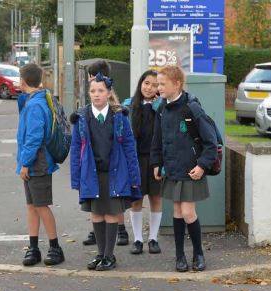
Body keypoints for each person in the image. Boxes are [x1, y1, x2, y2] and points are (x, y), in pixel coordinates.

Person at [70, 73, 141, 271]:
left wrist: (135, 177)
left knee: (111, 213)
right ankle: (100, 254)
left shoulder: (119, 117)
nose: (96, 94)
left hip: (115, 173)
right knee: (96, 214)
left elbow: (129, 148)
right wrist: (76, 177)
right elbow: (76, 148)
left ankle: (110, 256)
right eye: (93, 91)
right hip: (91, 174)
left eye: (101, 91)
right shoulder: (82, 117)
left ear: (109, 93)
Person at [150, 66, 218, 272]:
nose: (158, 87)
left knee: (188, 212)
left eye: (162, 84)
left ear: (177, 84)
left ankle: (198, 253)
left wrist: (202, 165)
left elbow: (211, 142)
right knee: (178, 211)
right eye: (157, 84)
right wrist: (156, 163)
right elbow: (157, 139)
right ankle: (180, 256)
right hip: (171, 169)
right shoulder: (161, 108)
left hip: (191, 170)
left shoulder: (192, 108)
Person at [16, 63, 65, 267]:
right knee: (32, 205)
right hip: (32, 160)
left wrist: (25, 163)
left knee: (41, 205)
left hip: (38, 162)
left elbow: (34, 137)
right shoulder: (36, 99)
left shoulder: (36, 105)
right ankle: (33, 247)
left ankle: (55, 247)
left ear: (23, 81)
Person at [82, 60, 131, 247]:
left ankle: (120, 229)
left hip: (111, 164)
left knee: (112, 200)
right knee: (104, 201)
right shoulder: (99, 99)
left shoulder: (113, 106)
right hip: (100, 166)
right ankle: (110, 232)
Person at [128, 70, 163, 255]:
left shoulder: (162, 107)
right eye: (147, 83)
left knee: (156, 198)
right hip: (136, 159)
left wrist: (158, 104)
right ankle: (138, 239)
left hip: (156, 159)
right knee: (136, 200)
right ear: (140, 83)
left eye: (155, 84)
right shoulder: (131, 106)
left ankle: (153, 238)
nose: (150, 88)